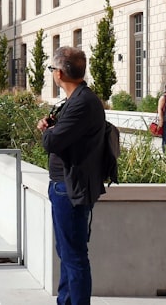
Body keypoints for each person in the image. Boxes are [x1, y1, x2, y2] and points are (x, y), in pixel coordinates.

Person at [36, 46, 107, 305]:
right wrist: (53, 128)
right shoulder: (77, 100)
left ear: (60, 74)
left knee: (74, 256)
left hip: (70, 187)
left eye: (53, 68)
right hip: (66, 186)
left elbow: (52, 143)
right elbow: (65, 135)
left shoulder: (81, 103)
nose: (53, 73)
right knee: (66, 253)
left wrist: (47, 132)